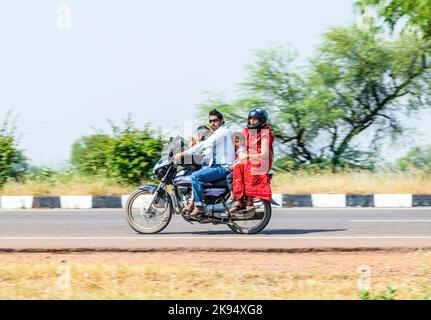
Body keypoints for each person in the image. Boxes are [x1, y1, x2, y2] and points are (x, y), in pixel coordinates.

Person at [175, 109, 235, 217]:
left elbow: (205, 144)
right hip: (216, 165)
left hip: (222, 167)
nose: (212, 123)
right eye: (210, 121)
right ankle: (193, 203)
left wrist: (184, 153)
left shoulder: (223, 132)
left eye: (215, 120)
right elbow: (205, 150)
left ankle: (199, 206)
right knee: (196, 174)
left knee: (195, 177)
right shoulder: (218, 133)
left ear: (222, 121)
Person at [229, 108, 275, 213]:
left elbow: (264, 154)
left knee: (249, 169)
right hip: (249, 158)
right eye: (251, 119)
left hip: (262, 160)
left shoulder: (265, 133)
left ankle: (249, 202)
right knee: (237, 167)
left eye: (255, 119)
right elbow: (239, 146)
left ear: (262, 121)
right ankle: (239, 200)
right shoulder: (246, 131)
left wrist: (247, 156)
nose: (252, 121)